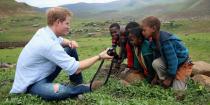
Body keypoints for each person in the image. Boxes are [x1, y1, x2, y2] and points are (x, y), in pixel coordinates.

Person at [10, 7, 112, 100]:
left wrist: (70, 42)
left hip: (42, 74)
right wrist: (99, 56)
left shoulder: (45, 32)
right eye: (67, 23)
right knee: (60, 91)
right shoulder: (47, 43)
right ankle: (83, 88)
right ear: (58, 22)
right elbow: (76, 68)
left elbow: (61, 40)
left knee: (70, 48)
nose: (69, 27)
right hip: (31, 83)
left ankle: (76, 82)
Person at [141, 16, 193, 91]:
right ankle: (165, 80)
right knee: (156, 63)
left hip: (182, 63)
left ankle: (171, 79)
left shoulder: (166, 41)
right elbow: (157, 57)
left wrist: (169, 79)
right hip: (171, 62)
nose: (142, 33)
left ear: (153, 28)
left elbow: (173, 61)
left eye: (144, 30)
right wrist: (156, 77)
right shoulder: (153, 42)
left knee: (178, 92)